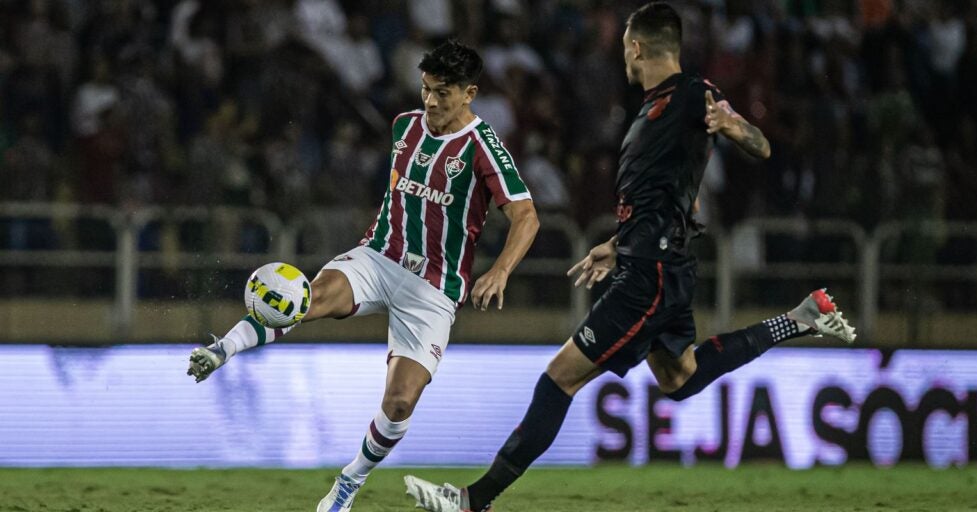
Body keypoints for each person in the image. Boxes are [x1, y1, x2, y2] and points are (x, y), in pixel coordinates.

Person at [403, 4, 855, 512]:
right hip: (656, 263)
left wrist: (733, 126)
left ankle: (472, 501)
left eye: (623, 47)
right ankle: (800, 319)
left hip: (651, 275)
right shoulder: (654, 106)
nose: (622, 54)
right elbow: (666, 195)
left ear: (636, 47)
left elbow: (762, 145)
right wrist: (618, 243)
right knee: (679, 378)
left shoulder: (691, 95)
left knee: (559, 378)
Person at [186, 40, 539, 512]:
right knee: (304, 298)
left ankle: (350, 480)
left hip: (433, 289)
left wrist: (500, 270)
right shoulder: (404, 127)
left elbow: (527, 216)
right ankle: (221, 349)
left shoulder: (482, 147)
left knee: (399, 403)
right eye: (426, 90)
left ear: (470, 93)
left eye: (444, 94)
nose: (431, 102)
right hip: (379, 257)